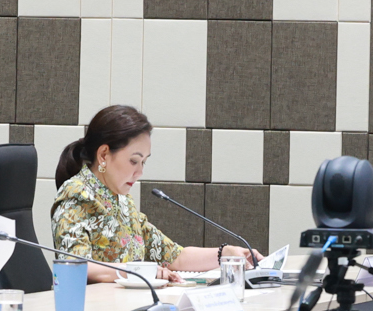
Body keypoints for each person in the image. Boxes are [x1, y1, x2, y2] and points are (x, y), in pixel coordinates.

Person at [51, 104, 253, 282]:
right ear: (104, 154)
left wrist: (225, 254)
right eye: (134, 161)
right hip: (90, 308)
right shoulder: (76, 195)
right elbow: (75, 266)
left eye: (144, 162)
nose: (139, 172)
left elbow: (173, 256)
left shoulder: (122, 201)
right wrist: (139, 271)